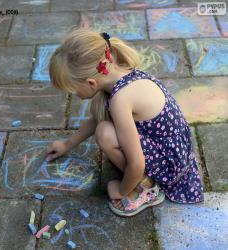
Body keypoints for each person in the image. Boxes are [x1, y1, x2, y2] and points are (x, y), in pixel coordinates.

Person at [45, 27, 204, 217]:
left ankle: (147, 189)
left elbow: (137, 164)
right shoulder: (120, 73)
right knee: (103, 120)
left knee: (105, 133)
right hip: (173, 148)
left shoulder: (121, 99)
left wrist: (121, 190)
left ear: (91, 83)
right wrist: (66, 144)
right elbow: (97, 118)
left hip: (171, 163)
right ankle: (139, 180)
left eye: (73, 90)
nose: (76, 96)